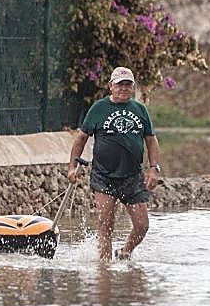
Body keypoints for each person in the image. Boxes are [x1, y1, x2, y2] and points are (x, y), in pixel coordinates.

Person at [67, 66, 160, 261]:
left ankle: (125, 251)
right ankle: (105, 268)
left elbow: (151, 140)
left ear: (133, 87)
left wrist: (153, 169)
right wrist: (72, 167)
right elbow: (81, 138)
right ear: (111, 86)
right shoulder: (99, 109)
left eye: (128, 85)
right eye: (120, 85)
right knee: (106, 223)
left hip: (133, 177)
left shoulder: (140, 110)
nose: (124, 89)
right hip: (104, 176)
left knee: (142, 225)